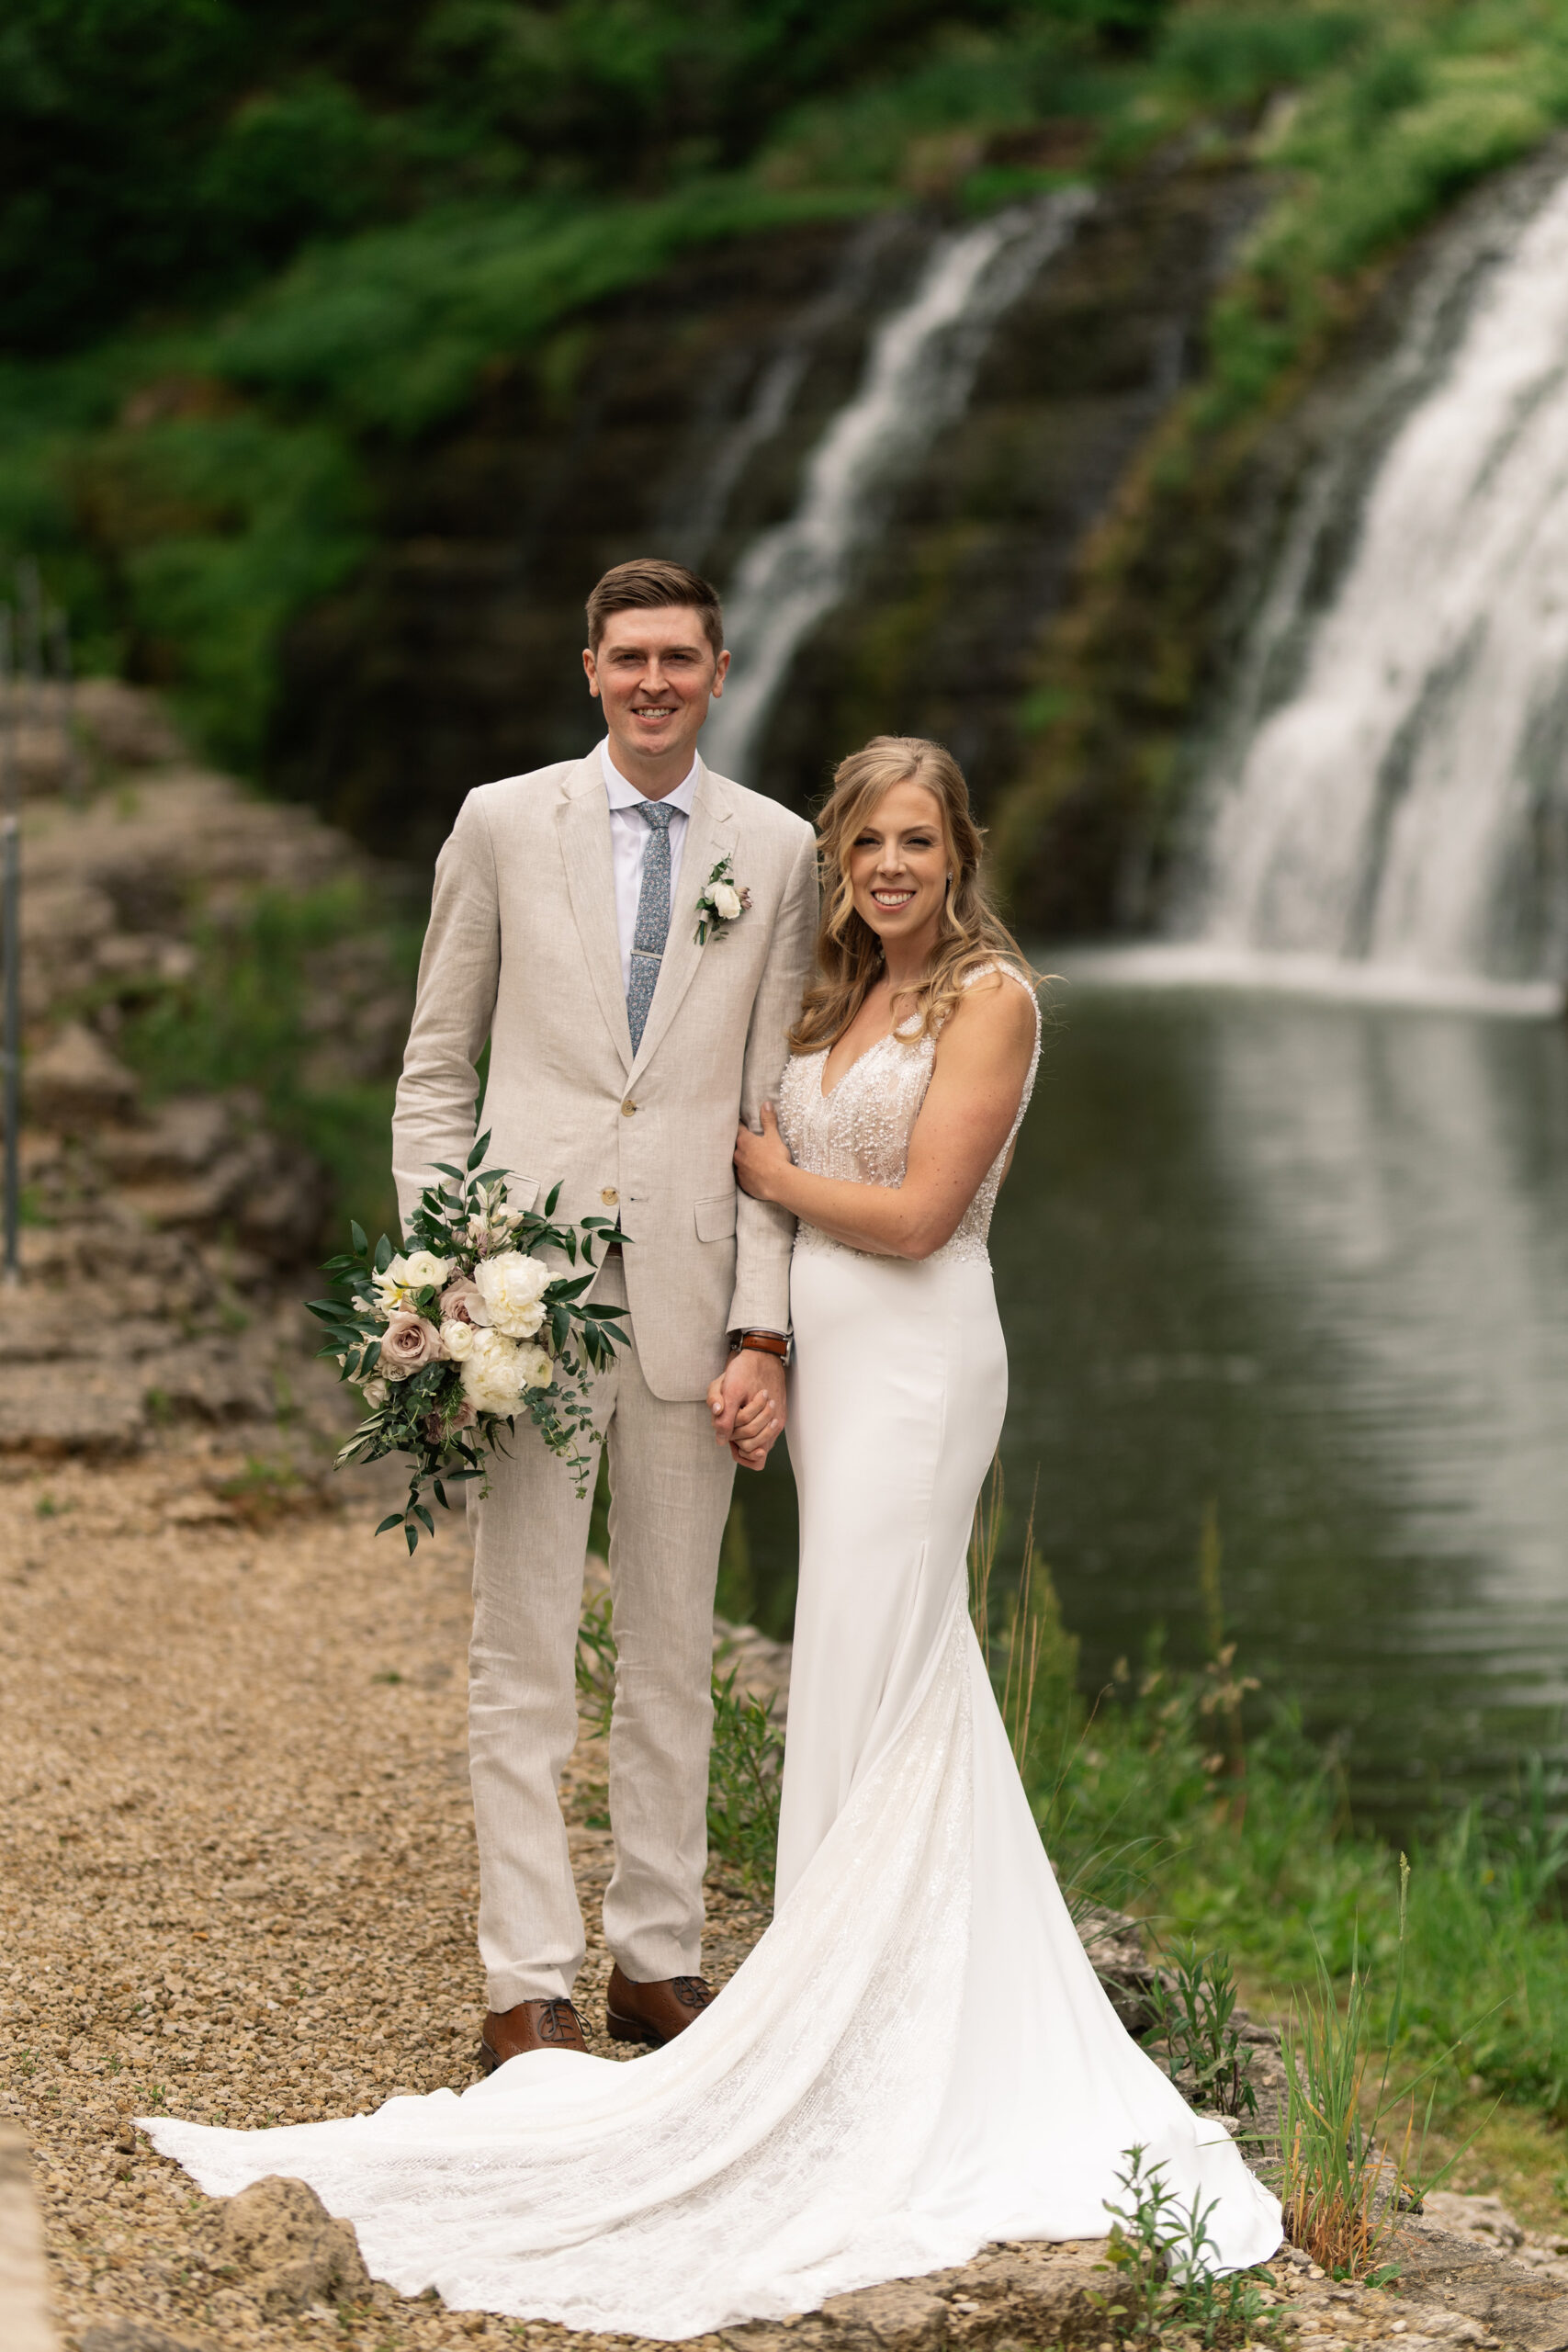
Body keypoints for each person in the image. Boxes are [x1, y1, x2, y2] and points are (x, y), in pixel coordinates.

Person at [143, 735, 1280, 2335]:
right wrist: (477, 1274)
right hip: (765, 1350)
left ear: (960, 853)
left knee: (853, 1656)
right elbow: (449, 1065)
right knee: (834, 1660)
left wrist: (761, 1193)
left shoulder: (988, 996)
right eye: (870, 842)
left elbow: (919, 1210)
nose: (890, 866)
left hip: (899, 1359)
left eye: (917, 843)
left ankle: (821, 2016)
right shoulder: (826, 988)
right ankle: (641, 1986)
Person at [386, 556, 816, 2064]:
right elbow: (438, 1070)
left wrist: (767, 1328)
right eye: (629, 657)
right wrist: (442, 1276)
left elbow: (771, 1109)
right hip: (523, 1304)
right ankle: (526, 1978)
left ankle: (655, 1955)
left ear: (716, 669)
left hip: (695, 1304)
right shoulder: (504, 823)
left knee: (674, 1646)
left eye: (680, 659)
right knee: (521, 1649)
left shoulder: (778, 846)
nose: (653, 682)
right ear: (589, 669)